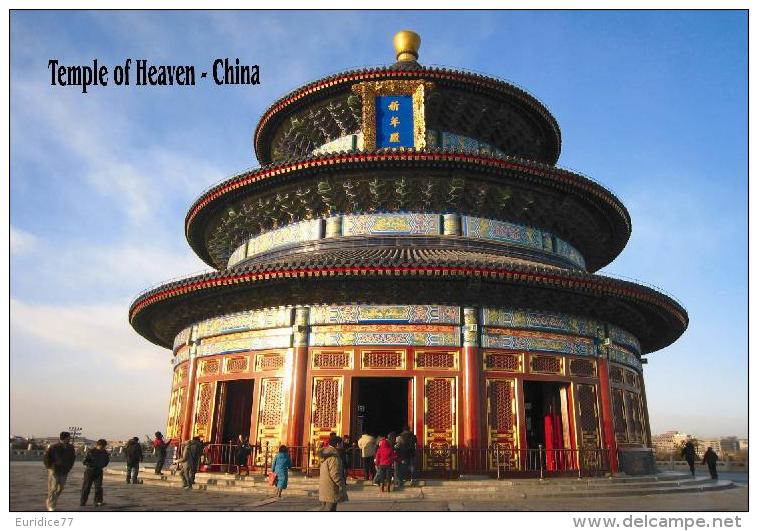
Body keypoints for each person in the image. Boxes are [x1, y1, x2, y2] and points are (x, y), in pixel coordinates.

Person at [43, 431, 76, 511]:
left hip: (64, 471)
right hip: (54, 470)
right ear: (64, 438)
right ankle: (51, 504)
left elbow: (72, 458)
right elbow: (46, 458)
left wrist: (69, 467)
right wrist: (50, 467)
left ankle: (51, 500)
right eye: (68, 437)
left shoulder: (71, 447)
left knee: (60, 488)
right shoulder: (54, 447)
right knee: (53, 488)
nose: (70, 439)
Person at [318, 435, 348, 511]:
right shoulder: (334, 457)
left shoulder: (326, 454)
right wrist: (341, 484)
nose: (342, 445)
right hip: (331, 488)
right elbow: (335, 474)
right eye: (341, 443)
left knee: (326, 508)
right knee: (329, 509)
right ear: (337, 444)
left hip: (325, 486)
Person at [80, 439, 110, 507]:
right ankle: (83, 502)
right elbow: (84, 461)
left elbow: (106, 460)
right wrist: (91, 464)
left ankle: (98, 501)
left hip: (99, 471)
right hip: (90, 471)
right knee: (86, 487)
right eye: (101, 447)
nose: (102, 448)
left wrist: (103, 465)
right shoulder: (91, 452)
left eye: (104, 447)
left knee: (98, 487)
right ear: (97, 445)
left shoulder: (104, 452)